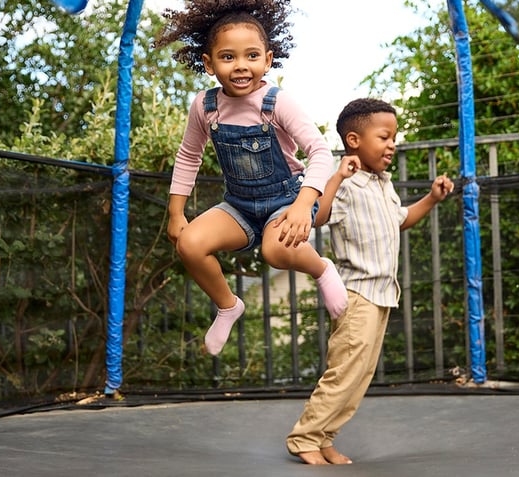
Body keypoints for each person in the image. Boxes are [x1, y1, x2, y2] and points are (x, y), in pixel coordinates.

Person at [154, 0, 347, 356]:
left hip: (288, 199)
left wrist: (304, 204)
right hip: (239, 205)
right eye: (228, 57)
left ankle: (322, 270)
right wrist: (177, 212)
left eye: (251, 56)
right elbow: (188, 155)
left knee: (275, 250)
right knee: (190, 244)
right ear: (210, 64)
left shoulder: (277, 102)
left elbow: (321, 152)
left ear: (268, 60)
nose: (241, 66)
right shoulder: (204, 106)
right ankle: (228, 306)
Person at [285, 98, 455, 465]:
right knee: (344, 370)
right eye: (384, 136)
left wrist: (432, 197)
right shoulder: (345, 182)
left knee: (360, 375)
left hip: (381, 295)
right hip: (356, 293)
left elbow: (401, 219)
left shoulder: (382, 184)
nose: (392, 143)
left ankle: (325, 436)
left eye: (394, 137)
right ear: (354, 140)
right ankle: (304, 438)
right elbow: (319, 216)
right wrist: (335, 178)